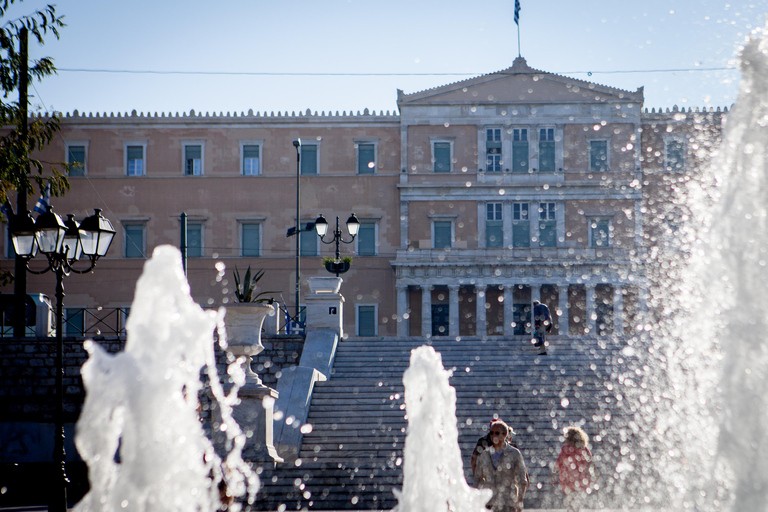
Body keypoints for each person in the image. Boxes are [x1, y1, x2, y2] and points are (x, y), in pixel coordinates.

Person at [475, 419, 529, 512]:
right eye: (491, 433)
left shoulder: (514, 453)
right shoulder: (485, 454)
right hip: (489, 502)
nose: (493, 436)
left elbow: (522, 480)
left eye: (496, 433)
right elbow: (478, 478)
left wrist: (519, 501)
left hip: (507, 502)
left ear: (505, 435)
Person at [551, 426, 595, 512]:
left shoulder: (565, 449)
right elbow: (591, 463)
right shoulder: (585, 449)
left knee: (570, 502)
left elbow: (558, 463)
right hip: (581, 480)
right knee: (577, 502)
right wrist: (592, 476)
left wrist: (554, 475)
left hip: (568, 480)